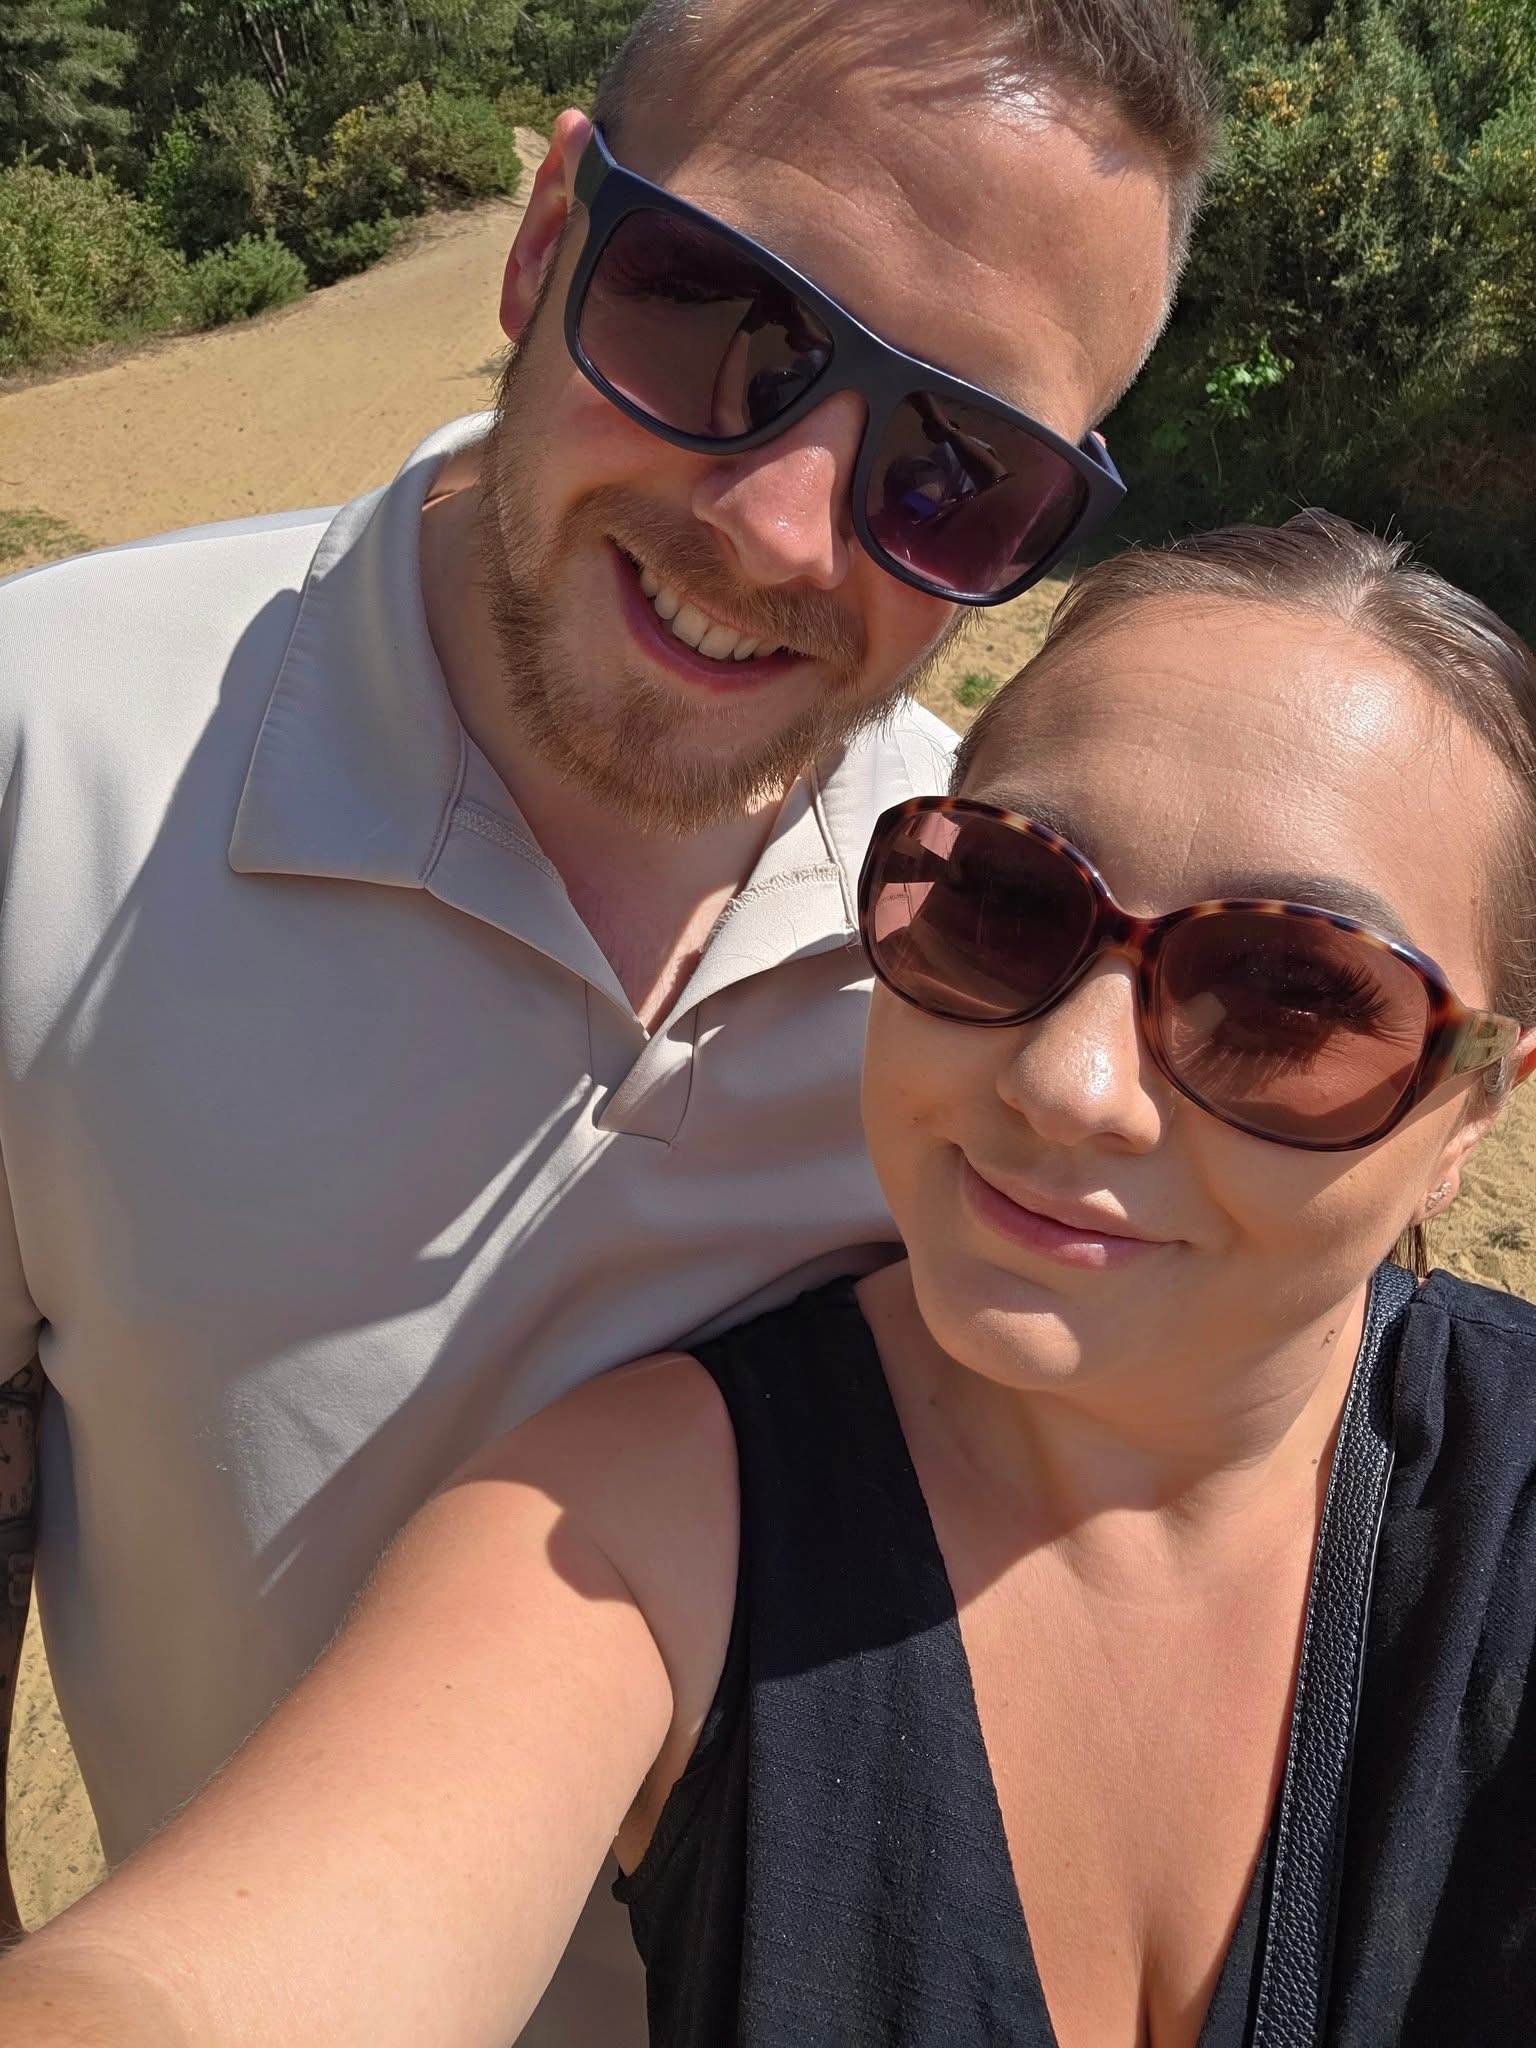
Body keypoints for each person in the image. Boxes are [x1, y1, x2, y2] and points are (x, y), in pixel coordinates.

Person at [0, 0, 1217, 2026]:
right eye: (717, 316)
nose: (778, 526)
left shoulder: (1016, 969)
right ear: (547, 232)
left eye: (959, 472)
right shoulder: (45, 746)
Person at [4, 510, 1533, 2047]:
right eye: (1007, 901)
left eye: (1288, 997)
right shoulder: (628, 1529)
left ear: (1477, 1106)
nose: (1066, 1083)